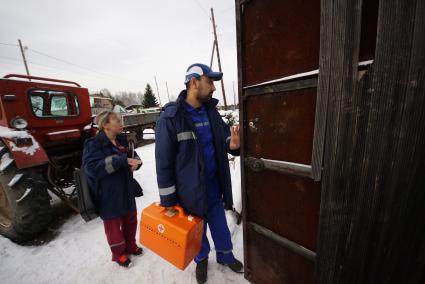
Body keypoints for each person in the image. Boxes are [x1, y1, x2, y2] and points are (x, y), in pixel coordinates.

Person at [155, 63, 243, 283]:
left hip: (214, 185)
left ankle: (225, 255)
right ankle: (201, 259)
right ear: (194, 82)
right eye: (210, 81)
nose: (213, 88)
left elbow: (223, 138)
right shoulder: (171, 118)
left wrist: (231, 144)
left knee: (220, 225)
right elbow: (163, 163)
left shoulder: (211, 112)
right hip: (189, 192)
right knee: (197, 231)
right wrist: (169, 201)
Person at [82, 111, 144, 268]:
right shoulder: (94, 144)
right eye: (116, 120)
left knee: (131, 219)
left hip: (126, 188)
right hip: (108, 193)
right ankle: (118, 254)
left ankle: (130, 246)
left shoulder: (123, 140)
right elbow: (92, 169)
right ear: (105, 125)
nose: (120, 122)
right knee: (114, 226)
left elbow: (132, 156)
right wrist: (120, 161)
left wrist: (136, 162)